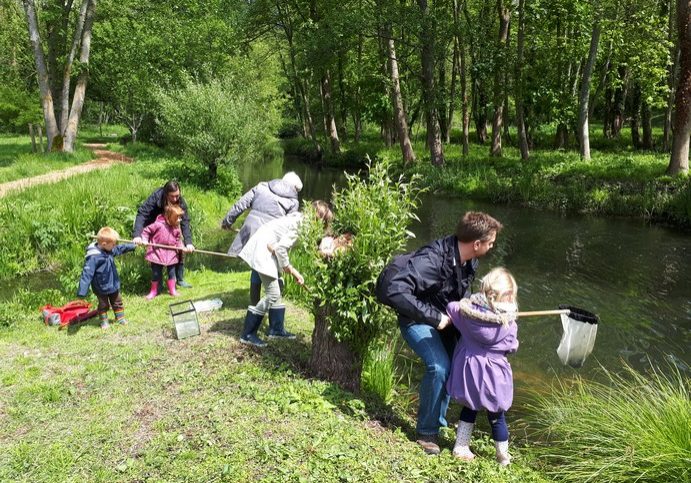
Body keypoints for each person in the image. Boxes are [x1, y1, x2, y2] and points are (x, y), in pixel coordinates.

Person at [377, 211, 503, 455]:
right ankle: (426, 433)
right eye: (490, 242)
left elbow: (459, 293)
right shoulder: (432, 260)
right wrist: (435, 318)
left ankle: (439, 422)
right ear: (476, 244)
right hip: (418, 319)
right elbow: (394, 290)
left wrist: (473, 308)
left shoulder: (470, 260)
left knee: (458, 363)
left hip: (445, 319)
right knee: (439, 366)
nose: (492, 246)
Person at [446, 267, 518, 466]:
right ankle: (503, 457)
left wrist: (471, 305)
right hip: (494, 377)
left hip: (469, 372)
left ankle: (460, 447)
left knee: (469, 408)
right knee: (497, 416)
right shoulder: (509, 325)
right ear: (510, 298)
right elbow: (512, 347)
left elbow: (452, 307)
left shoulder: (467, 316)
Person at [237, 200, 333, 347]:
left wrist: (292, 270)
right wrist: (292, 269)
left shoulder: (301, 219)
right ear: (319, 219)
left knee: (279, 285)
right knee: (273, 294)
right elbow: (282, 248)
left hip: (269, 248)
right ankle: (248, 334)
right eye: (323, 223)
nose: (323, 227)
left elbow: (278, 245)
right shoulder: (302, 225)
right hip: (263, 250)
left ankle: (275, 329)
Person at [221, 172, 303, 305]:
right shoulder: (293, 202)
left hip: (251, 229)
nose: (297, 192)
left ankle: (256, 303)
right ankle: (267, 304)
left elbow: (241, 203)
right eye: (297, 190)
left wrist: (227, 221)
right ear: (294, 187)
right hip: (269, 238)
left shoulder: (262, 186)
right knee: (267, 268)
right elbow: (290, 226)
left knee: (256, 266)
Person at [132, 181, 195, 288]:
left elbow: (185, 221)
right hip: (156, 227)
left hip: (173, 228)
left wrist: (188, 243)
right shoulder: (156, 197)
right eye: (172, 196)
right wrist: (137, 235)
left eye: (177, 196)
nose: (175, 199)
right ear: (165, 194)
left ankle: (179, 279)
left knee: (179, 250)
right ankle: (158, 284)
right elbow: (142, 213)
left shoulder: (180, 201)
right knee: (156, 254)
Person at [77, 227, 136, 329]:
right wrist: (82, 291)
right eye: (113, 244)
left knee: (117, 301)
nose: (115, 246)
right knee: (103, 305)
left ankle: (120, 317)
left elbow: (120, 248)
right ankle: (104, 321)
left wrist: (133, 245)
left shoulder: (109, 250)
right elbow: (87, 274)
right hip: (101, 287)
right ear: (104, 244)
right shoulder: (93, 257)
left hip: (113, 284)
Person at [141, 205, 185, 299]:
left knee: (172, 273)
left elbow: (178, 240)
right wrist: (144, 239)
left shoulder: (176, 229)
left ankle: (172, 290)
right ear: (171, 217)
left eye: (180, 218)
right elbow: (146, 231)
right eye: (178, 218)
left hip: (171, 254)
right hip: (157, 253)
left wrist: (182, 247)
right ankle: (153, 291)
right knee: (156, 273)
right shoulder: (158, 225)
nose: (180, 220)